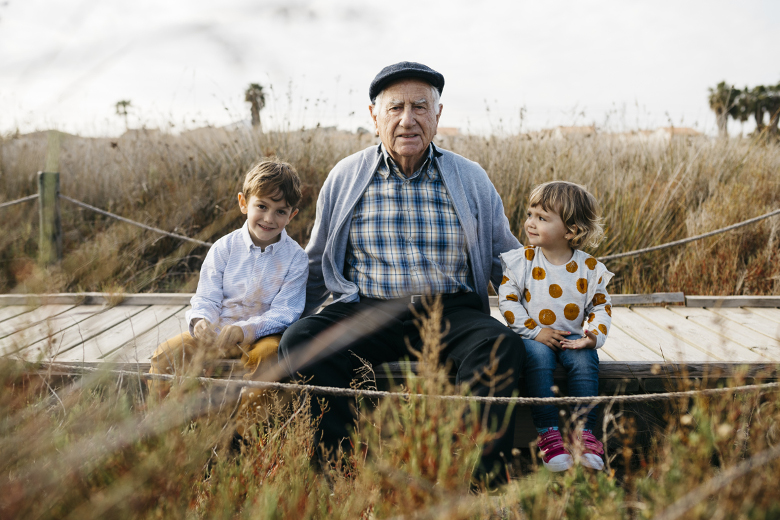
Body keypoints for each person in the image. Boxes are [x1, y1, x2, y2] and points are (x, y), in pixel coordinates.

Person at [278, 61, 524, 486]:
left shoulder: (471, 178)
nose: (407, 119)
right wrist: (279, 319)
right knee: (301, 341)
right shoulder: (346, 176)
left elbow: (509, 259)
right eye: (395, 108)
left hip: (452, 313)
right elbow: (316, 263)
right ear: (374, 117)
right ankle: (342, 475)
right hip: (370, 311)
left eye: (420, 107)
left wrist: (555, 308)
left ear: (438, 115)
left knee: (499, 347)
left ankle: (480, 484)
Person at [149, 159, 308, 419]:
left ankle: (249, 431)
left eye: (280, 211)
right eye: (262, 206)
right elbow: (206, 296)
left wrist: (244, 331)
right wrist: (202, 320)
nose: (269, 218)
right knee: (165, 355)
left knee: (268, 356)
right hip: (218, 331)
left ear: (292, 215)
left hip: (262, 335)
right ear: (244, 203)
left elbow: (285, 312)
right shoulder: (224, 248)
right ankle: (163, 426)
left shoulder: (296, 258)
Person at [498, 181, 613, 471]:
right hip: (533, 336)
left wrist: (592, 337)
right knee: (537, 359)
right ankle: (548, 433)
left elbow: (600, 307)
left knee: (585, 361)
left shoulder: (589, 268)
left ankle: (584, 435)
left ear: (571, 230)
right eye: (530, 214)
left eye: (542, 218)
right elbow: (507, 302)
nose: (530, 223)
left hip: (572, 335)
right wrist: (536, 331)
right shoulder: (521, 261)